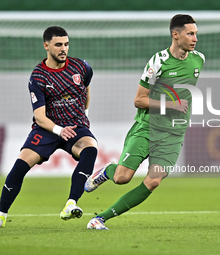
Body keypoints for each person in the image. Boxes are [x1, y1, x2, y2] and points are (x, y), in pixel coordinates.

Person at [84, 14, 205, 230]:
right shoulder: (158, 61)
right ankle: (107, 172)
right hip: (147, 128)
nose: (195, 38)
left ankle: (99, 218)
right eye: (190, 33)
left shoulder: (199, 60)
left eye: (196, 33)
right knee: (122, 178)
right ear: (175, 35)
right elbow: (139, 100)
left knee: (153, 181)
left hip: (173, 134)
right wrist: (171, 106)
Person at [0, 26, 97, 228]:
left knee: (90, 148)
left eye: (66, 44)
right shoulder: (38, 76)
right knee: (20, 166)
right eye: (58, 45)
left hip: (75, 126)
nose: (64, 49)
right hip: (47, 128)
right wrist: (59, 130)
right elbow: (40, 117)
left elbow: (86, 89)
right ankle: (0, 216)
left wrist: (84, 117)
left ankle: (71, 204)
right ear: (46, 46)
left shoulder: (81, 67)